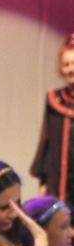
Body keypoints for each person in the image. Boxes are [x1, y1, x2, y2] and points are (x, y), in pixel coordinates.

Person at [31, 32, 74, 200]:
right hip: (59, 185)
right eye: (66, 64)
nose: (71, 69)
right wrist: (44, 182)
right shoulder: (55, 100)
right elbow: (46, 142)